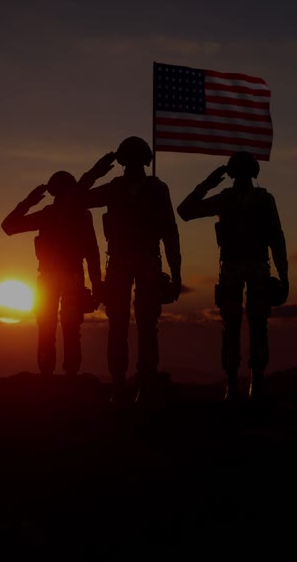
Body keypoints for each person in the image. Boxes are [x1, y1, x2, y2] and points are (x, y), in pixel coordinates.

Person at [178, 151, 288, 401]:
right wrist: (283, 273)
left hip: (250, 267)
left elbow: (276, 237)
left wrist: (208, 184)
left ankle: (245, 385)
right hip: (239, 267)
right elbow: (185, 211)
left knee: (243, 326)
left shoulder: (253, 199)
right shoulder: (237, 199)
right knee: (245, 326)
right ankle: (243, 385)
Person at [78, 136, 182, 403]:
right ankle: (124, 385)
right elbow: (77, 201)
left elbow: (169, 231)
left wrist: (95, 173)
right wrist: (95, 173)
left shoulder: (153, 188)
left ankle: (137, 385)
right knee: (126, 325)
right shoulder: (120, 188)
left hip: (141, 261)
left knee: (138, 325)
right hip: (127, 262)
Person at [1, 171, 101, 377]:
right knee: (65, 327)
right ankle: (66, 375)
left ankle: (52, 375)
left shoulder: (52, 214)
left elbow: (8, 226)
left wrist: (28, 202)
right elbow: (92, 251)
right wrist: (97, 283)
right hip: (63, 277)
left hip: (55, 278)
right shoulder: (78, 215)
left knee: (51, 327)